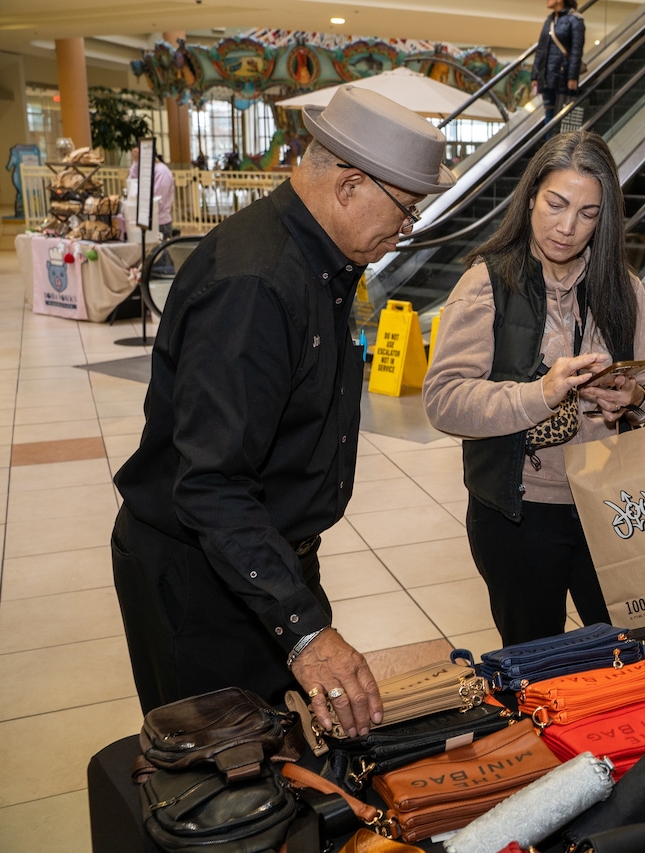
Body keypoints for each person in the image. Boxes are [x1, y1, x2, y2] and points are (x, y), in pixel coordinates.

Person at [111, 86, 455, 739]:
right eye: (407, 210)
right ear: (349, 186)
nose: (406, 229)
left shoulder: (322, 258)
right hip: (201, 578)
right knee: (220, 779)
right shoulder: (256, 282)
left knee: (285, 748)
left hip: (265, 561)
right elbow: (211, 485)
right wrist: (305, 630)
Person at [423, 132, 645, 645]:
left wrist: (636, 397)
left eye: (587, 213)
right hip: (520, 511)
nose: (567, 226)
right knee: (535, 666)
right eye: (556, 204)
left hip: (612, 503)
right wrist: (542, 392)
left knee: (622, 655)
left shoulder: (621, 286)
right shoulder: (486, 283)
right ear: (531, 195)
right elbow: (444, 398)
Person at [531, 0, 585, 131]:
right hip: (546, 76)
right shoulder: (549, 20)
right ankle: (551, 148)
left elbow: (576, 51)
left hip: (563, 76)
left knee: (564, 117)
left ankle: (563, 147)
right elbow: (540, 50)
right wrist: (534, 76)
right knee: (549, 115)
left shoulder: (575, 20)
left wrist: (572, 77)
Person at [126, 146, 175, 241]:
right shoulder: (146, 169)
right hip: (146, 220)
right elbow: (132, 184)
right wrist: (135, 163)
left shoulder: (162, 171)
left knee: (159, 254)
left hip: (159, 222)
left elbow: (158, 200)